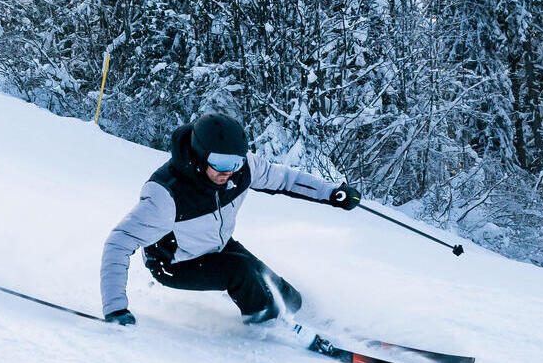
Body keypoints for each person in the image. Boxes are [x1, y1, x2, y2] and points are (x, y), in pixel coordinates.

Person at [100, 111, 358, 327]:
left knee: (273, 283)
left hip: (217, 246)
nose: (229, 171)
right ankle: (270, 328)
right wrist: (116, 309)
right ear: (200, 155)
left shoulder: (241, 170)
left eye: (236, 161)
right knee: (242, 273)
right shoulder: (166, 193)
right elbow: (118, 243)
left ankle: (306, 318)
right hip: (175, 263)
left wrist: (331, 192)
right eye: (221, 163)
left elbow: (286, 179)